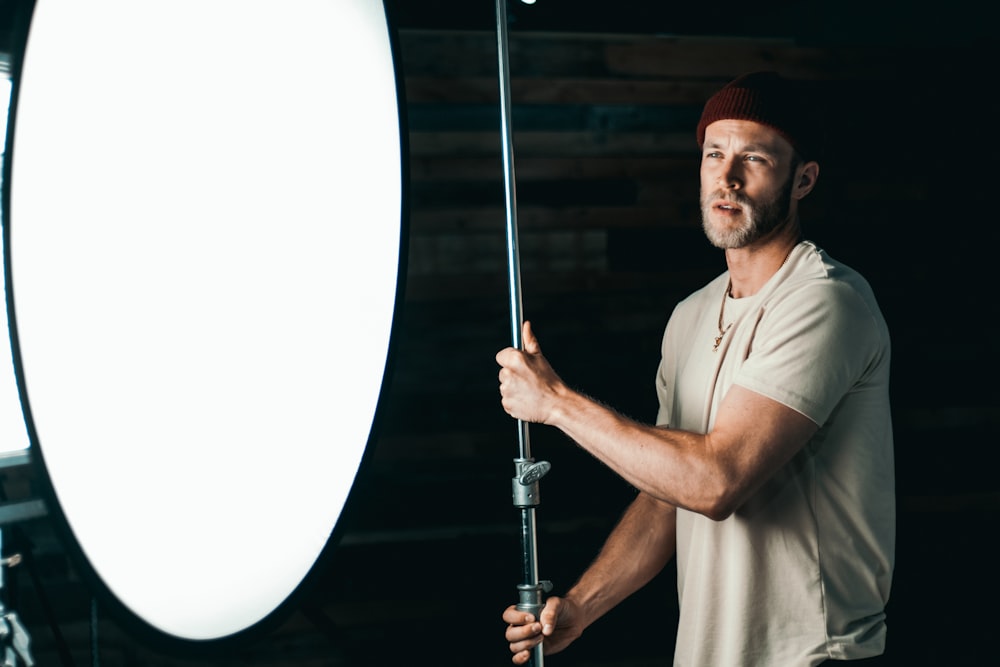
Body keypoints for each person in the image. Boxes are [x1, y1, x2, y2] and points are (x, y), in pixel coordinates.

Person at [496, 71, 895, 666]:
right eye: (714, 153)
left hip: (811, 657)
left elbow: (715, 482)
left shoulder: (825, 300)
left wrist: (555, 404)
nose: (726, 177)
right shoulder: (691, 315)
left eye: (754, 157)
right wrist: (580, 608)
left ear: (803, 179)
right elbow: (668, 496)